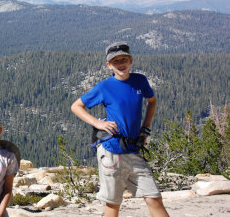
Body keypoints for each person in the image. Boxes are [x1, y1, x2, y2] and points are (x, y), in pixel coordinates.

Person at [71, 42, 169, 217]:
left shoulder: (140, 81)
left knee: (154, 196)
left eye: (124, 59)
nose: (120, 63)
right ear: (109, 65)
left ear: (130, 60)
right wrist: (98, 123)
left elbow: (152, 101)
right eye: (115, 61)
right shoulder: (104, 87)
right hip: (111, 152)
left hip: (133, 149)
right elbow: (76, 106)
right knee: (113, 204)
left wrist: (146, 128)